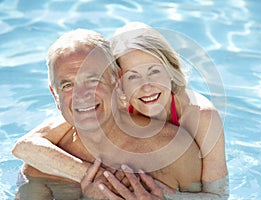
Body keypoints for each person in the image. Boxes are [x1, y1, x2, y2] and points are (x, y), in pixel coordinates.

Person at [12, 27, 228, 199]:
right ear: (54, 95)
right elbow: (25, 146)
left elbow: (219, 195)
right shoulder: (44, 161)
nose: (82, 95)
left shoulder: (181, 145)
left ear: (116, 82)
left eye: (93, 79)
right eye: (67, 85)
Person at [81, 22, 229, 199]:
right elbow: (39, 141)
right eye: (133, 76)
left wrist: (168, 197)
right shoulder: (115, 106)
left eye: (154, 71)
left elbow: (219, 195)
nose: (146, 87)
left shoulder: (201, 117)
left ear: (170, 69)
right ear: (119, 83)